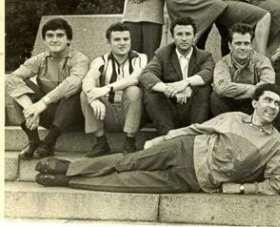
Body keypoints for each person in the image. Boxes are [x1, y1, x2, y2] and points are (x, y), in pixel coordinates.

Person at [35, 84, 280, 196]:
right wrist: (163, 139)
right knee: (127, 163)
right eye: (268, 100)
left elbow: (274, 184)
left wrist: (240, 189)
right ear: (255, 103)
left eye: (277, 104)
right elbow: (196, 128)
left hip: (194, 180)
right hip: (182, 148)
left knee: (126, 183)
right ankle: (69, 167)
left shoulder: (277, 145)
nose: (272, 106)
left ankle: (69, 181)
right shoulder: (234, 118)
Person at [6, 18, 89, 159]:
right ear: (44, 40)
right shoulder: (39, 59)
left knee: (73, 90)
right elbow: (12, 78)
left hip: (74, 116)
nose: (54, 40)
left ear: (68, 39)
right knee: (19, 89)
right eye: (50, 36)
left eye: (60, 35)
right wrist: (30, 108)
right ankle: (34, 141)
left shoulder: (80, 59)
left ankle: (49, 143)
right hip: (48, 115)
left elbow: (74, 82)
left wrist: (42, 103)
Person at [81, 23, 147, 157]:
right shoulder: (101, 60)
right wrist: (93, 99)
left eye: (126, 39)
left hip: (132, 113)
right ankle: (101, 143)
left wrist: (106, 88)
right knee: (85, 93)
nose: (122, 43)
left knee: (133, 90)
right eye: (117, 39)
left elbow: (135, 78)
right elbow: (88, 79)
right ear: (108, 42)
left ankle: (130, 142)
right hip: (107, 113)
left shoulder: (140, 58)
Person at [140, 17, 213, 135]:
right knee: (151, 92)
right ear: (173, 37)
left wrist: (185, 83)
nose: (184, 38)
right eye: (179, 34)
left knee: (205, 89)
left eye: (188, 34)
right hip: (169, 108)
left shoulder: (204, 56)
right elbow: (147, 75)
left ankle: (194, 136)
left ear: (194, 37)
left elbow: (208, 73)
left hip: (194, 108)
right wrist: (170, 90)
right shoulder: (163, 54)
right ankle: (169, 136)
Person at [211, 23, 275, 116]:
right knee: (215, 98)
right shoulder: (222, 63)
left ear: (251, 45)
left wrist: (246, 93)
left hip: (254, 104)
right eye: (238, 43)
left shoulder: (262, 61)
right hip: (230, 104)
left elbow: (269, 85)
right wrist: (252, 89)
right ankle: (224, 124)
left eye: (246, 43)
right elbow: (222, 88)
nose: (242, 48)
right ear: (230, 45)